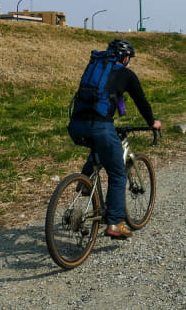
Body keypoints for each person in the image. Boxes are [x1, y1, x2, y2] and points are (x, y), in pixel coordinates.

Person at [68, 39, 162, 240]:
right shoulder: (126, 74)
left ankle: (85, 181)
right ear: (125, 57)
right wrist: (152, 122)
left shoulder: (96, 68)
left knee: (100, 150)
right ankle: (115, 223)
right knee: (118, 174)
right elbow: (141, 101)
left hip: (76, 125)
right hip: (100, 125)